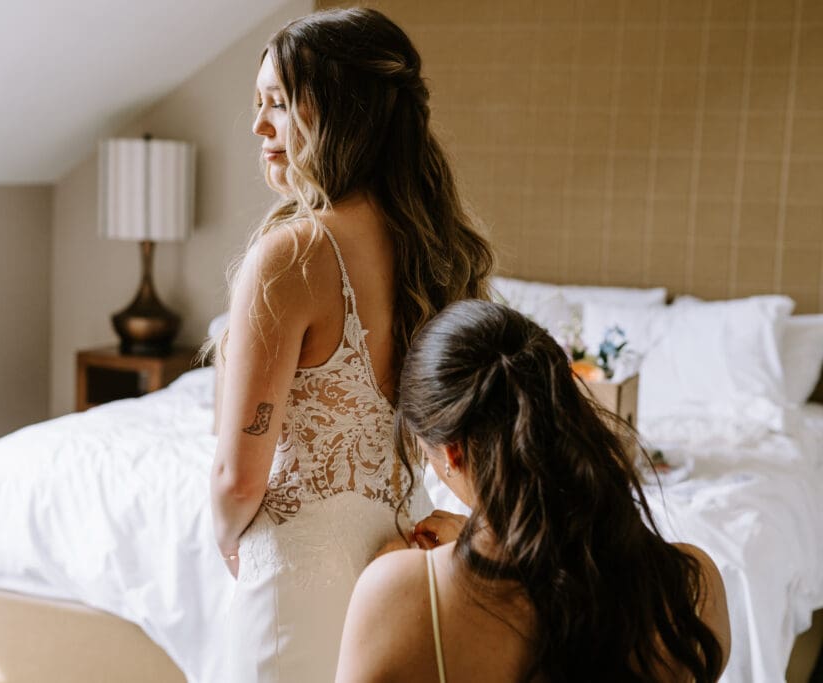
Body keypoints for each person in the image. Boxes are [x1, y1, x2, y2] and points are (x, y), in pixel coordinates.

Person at [208, 7, 494, 683]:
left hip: (298, 576)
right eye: (258, 105)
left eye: (278, 103)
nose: (258, 126)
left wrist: (224, 534)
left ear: (343, 110)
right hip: (406, 566)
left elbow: (238, 475)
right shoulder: (443, 254)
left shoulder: (290, 257)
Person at [335, 300, 731, 683]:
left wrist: (418, 572)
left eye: (426, 453)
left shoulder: (400, 592)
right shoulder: (695, 588)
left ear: (452, 453)